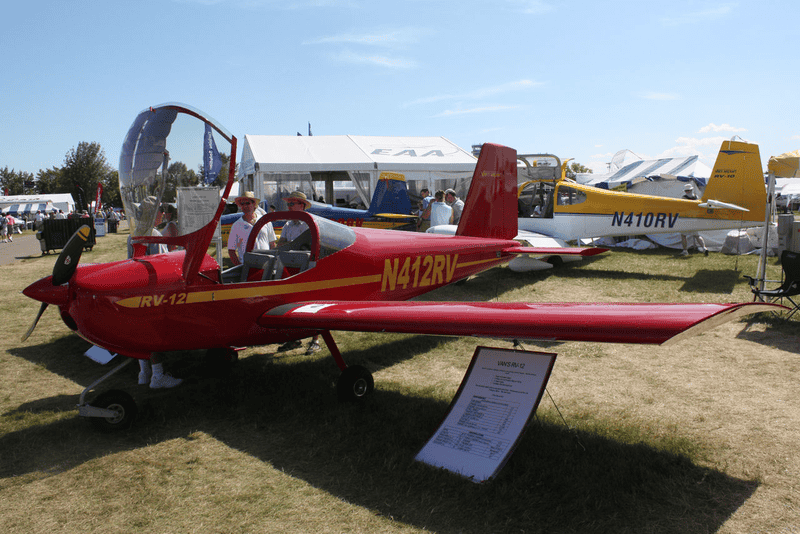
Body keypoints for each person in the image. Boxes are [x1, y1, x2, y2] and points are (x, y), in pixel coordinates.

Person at [276, 191, 321, 355]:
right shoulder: (287, 226)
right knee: (289, 302)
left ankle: (315, 340)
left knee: (311, 304)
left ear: (301, 205)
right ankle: (293, 339)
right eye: (288, 204)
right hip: (291, 267)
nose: (288, 207)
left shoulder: (311, 224)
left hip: (308, 267)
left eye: (292, 204)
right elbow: (282, 244)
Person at [228, 191, 276, 266]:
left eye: (247, 203)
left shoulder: (265, 221)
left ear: (254, 204)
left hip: (266, 265)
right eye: (242, 204)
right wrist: (239, 267)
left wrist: (273, 264)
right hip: (248, 266)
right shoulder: (236, 225)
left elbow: (272, 244)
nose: (245, 206)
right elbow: (231, 250)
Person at [680, 183, 708, 256]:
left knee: (683, 235)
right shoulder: (697, 197)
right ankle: (704, 248)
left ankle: (685, 251)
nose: (686, 192)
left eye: (687, 191)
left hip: (687, 218)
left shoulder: (684, 198)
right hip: (695, 218)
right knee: (697, 235)